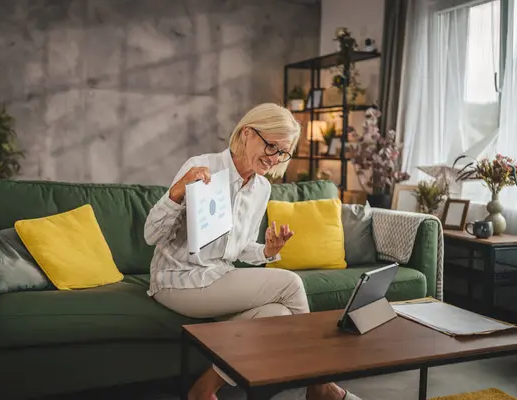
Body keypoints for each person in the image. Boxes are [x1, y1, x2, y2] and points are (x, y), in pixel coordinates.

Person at [144, 103, 361, 400]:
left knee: (278, 313)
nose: (274, 159)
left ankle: (204, 389)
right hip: (176, 279)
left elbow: (238, 247)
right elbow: (150, 235)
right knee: (290, 283)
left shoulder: (261, 189)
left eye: (282, 152)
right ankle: (320, 385)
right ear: (247, 133)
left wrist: (267, 251)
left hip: (217, 276)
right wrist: (179, 189)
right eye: (271, 146)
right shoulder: (202, 167)